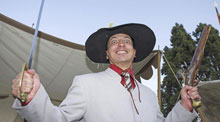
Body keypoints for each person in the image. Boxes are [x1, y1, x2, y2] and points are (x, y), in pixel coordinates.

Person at [12, 23, 200, 122]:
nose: (120, 44)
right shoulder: (85, 84)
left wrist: (185, 106)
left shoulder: (149, 95)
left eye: (126, 41)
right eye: (114, 42)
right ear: (107, 54)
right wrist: (31, 98)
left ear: (134, 53)